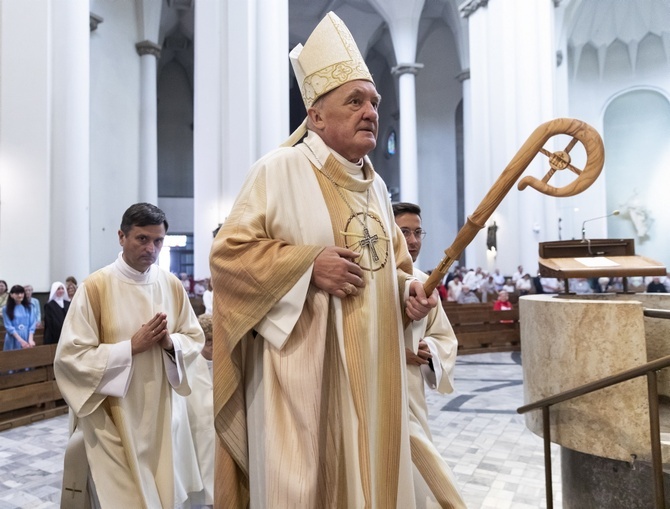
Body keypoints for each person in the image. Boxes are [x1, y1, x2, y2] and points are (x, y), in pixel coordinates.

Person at [209, 12, 438, 508]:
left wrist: (408, 296)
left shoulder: (376, 186)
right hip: (302, 381)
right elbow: (228, 258)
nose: (370, 112)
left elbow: (392, 271)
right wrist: (308, 265)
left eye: (374, 102)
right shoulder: (278, 170)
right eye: (354, 101)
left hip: (377, 377)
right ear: (316, 116)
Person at [54, 203, 206, 508]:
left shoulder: (172, 286)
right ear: (121, 236)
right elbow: (70, 357)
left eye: (158, 241)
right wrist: (129, 348)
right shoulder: (95, 288)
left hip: (163, 416)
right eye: (142, 239)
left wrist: (169, 344)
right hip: (113, 417)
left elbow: (194, 338)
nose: (152, 248)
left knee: (162, 495)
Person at [393, 202, 466, 507]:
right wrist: (398, 351)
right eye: (404, 232)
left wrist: (428, 350)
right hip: (378, 389)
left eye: (418, 232)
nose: (413, 241)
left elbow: (444, 338)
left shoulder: (427, 282)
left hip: (411, 393)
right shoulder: (369, 281)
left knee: (417, 475)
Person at [2, 285, 36, 350]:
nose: (20, 295)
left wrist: (30, 339)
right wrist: (20, 341)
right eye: (17, 293)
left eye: (22, 293)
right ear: (11, 295)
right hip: (14, 337)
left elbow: (32, 324)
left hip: (26, 335)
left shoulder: (30, 307)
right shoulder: (6, 309)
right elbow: (8, 326)